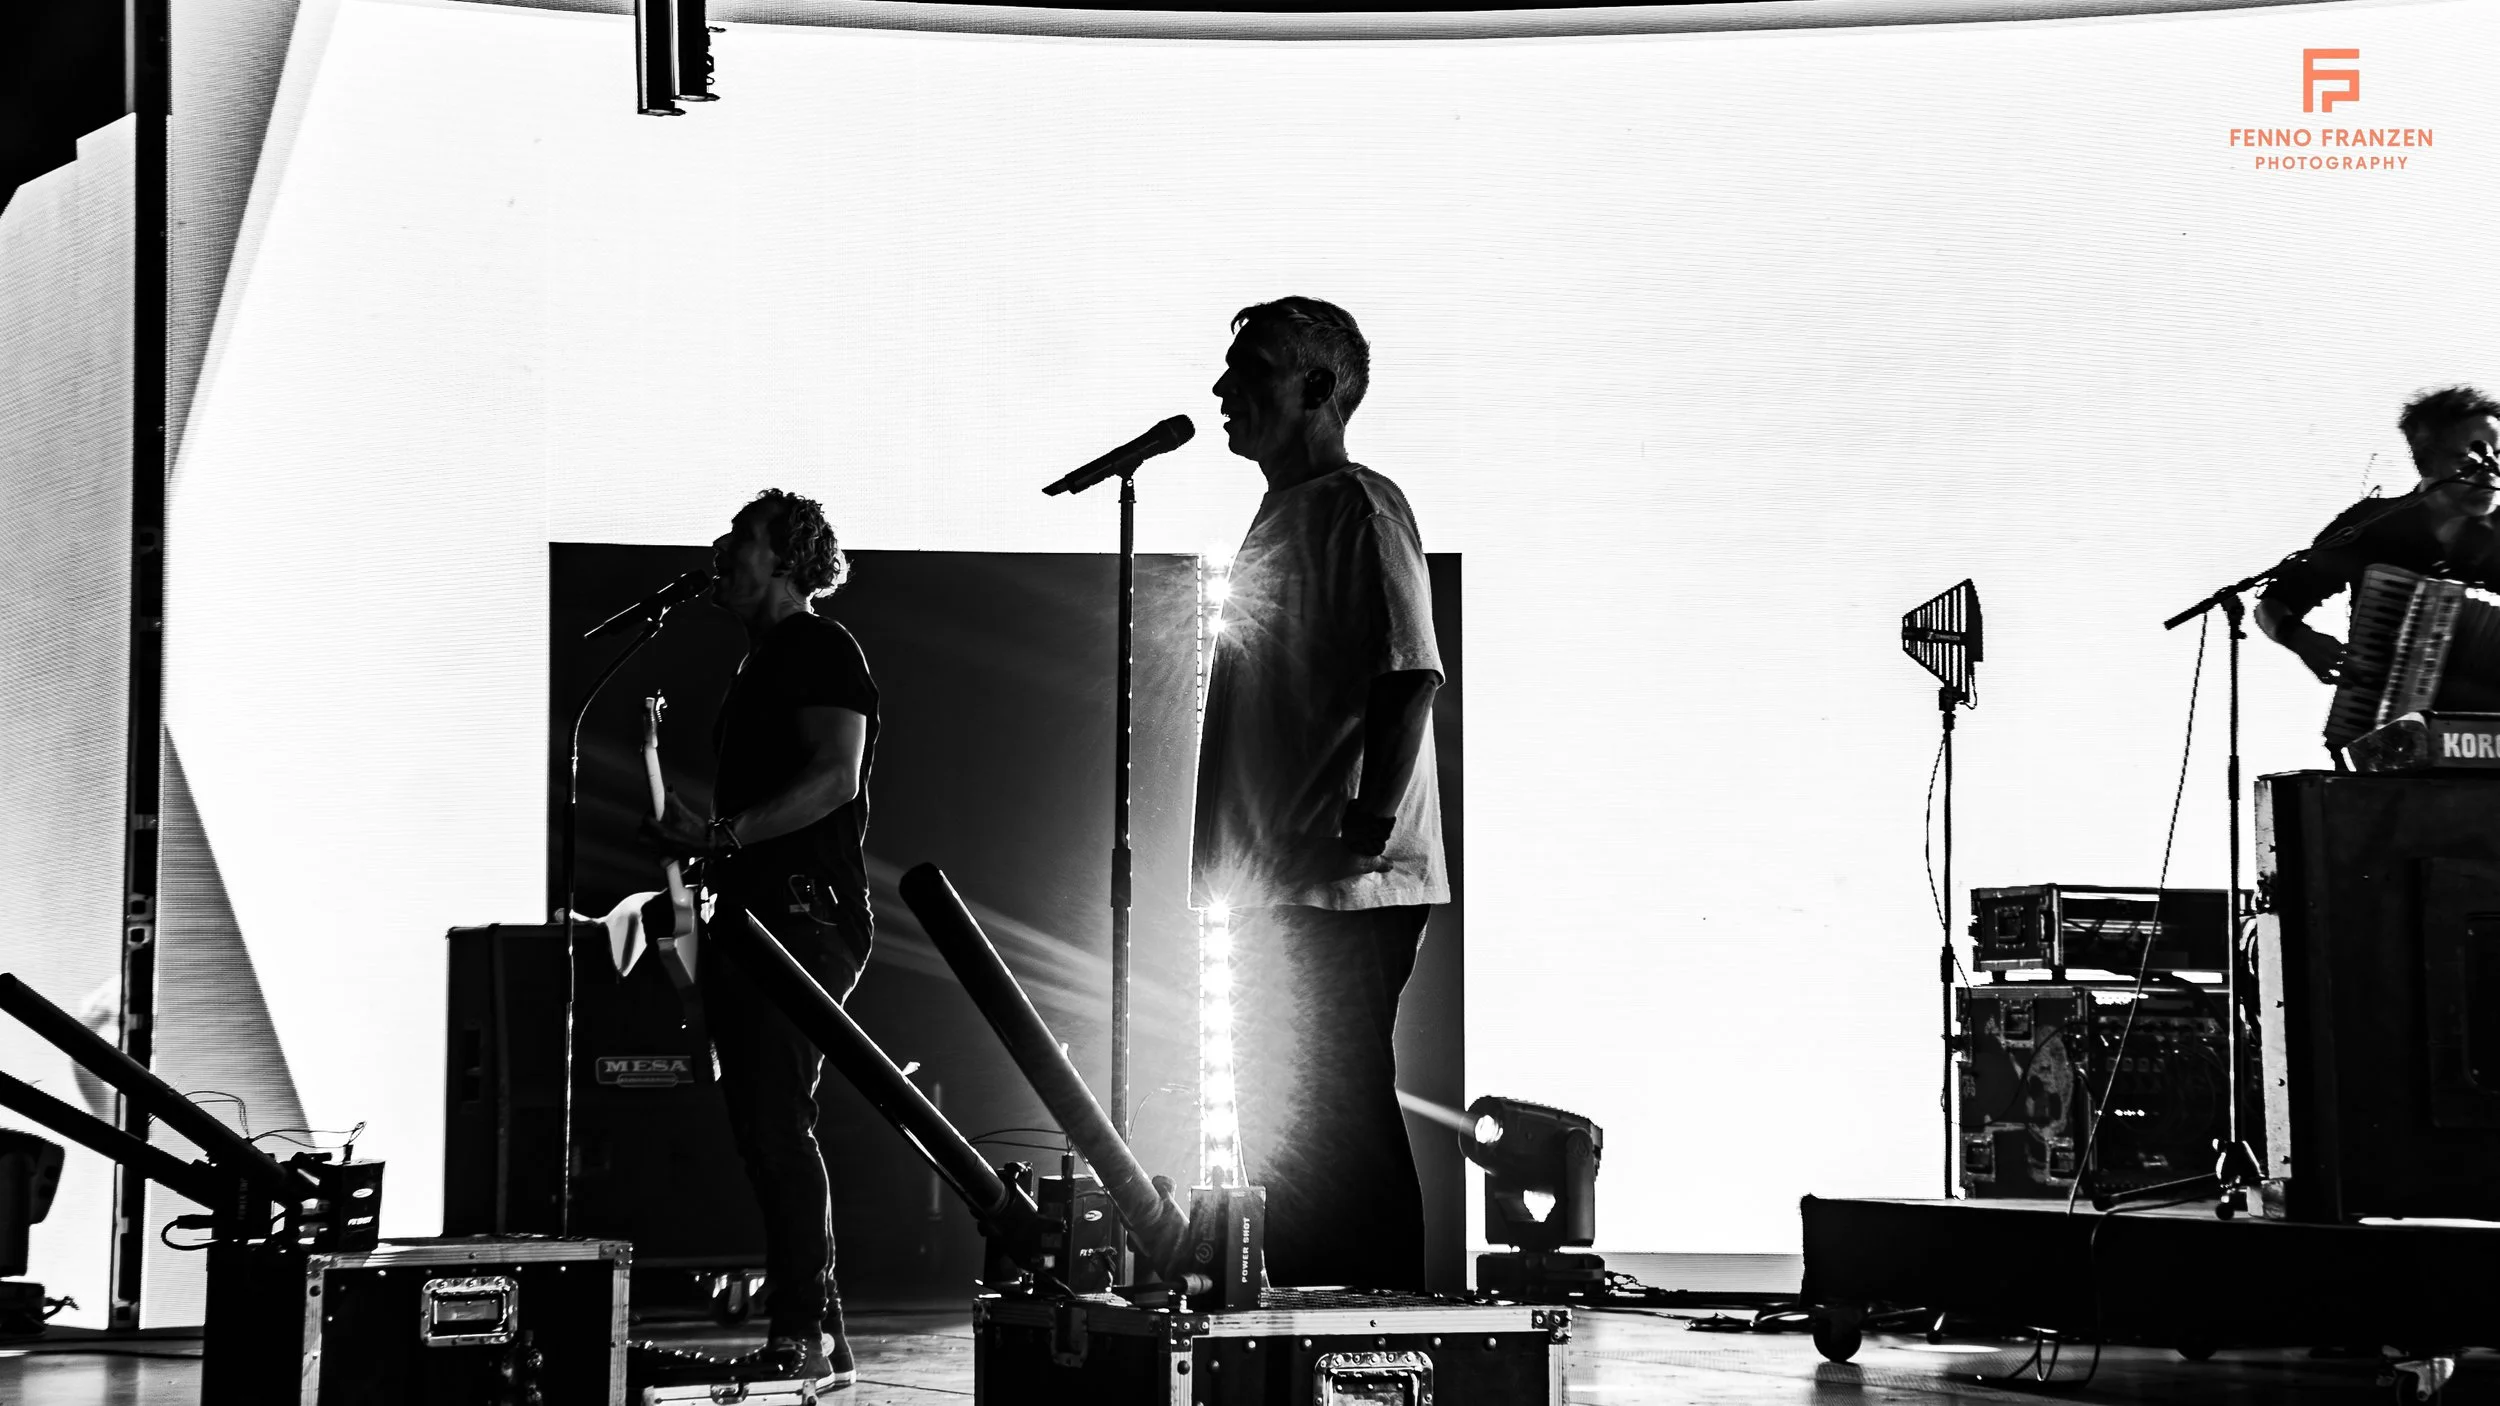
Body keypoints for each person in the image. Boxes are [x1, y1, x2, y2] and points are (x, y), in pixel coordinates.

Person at [1193, 297, 1447, 1291]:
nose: (1224, 387)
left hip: (1339, 879)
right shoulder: (1283, 512)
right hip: (1283, 874)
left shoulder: (1360, 505)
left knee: (1334, 1105)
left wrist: (1370, 824)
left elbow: (1407, 673)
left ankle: (1383, 1327)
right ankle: (1305, 1311)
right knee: (1292, 1112)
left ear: (1316, 388)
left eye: (1248, 368)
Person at [645, 488, 877, 1390]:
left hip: (804, 917)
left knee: (777, 1121)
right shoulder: (762, 663)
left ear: (786, 558)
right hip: (757, 914)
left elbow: (835, 777)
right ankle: (823, 1330)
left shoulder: (819, 646)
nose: (720, 545)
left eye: (740, 535)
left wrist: (722, 835)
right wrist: (700, 839)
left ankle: (800, 1329)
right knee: (763, 1123)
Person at [2258, 386, 2500, 708]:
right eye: (2469, 458)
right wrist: (2299, 638)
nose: (2490, 472)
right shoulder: (2372, 525)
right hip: (2390, 720)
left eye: (2498, 456)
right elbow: (2275, 602)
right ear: (2427, 462)